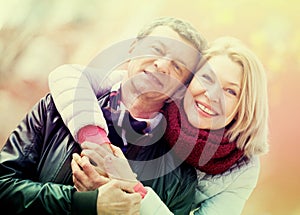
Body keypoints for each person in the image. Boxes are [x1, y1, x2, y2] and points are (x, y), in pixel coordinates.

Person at [0, 17, 207, 215]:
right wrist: (83, 204)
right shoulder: (54, 108)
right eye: (156, 49)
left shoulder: (180, 178)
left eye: (178, 66)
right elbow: (4, 185)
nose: (162, 65)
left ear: (181, 88)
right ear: (133, 49)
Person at [49, 36, 269, 215]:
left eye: (230, 91)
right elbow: (68, 75)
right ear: (188, 80)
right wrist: (98, 143)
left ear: (246, 106)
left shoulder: (242, 168)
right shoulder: (160, 96)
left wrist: (131, 189)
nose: (212, 95)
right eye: (206, 78)